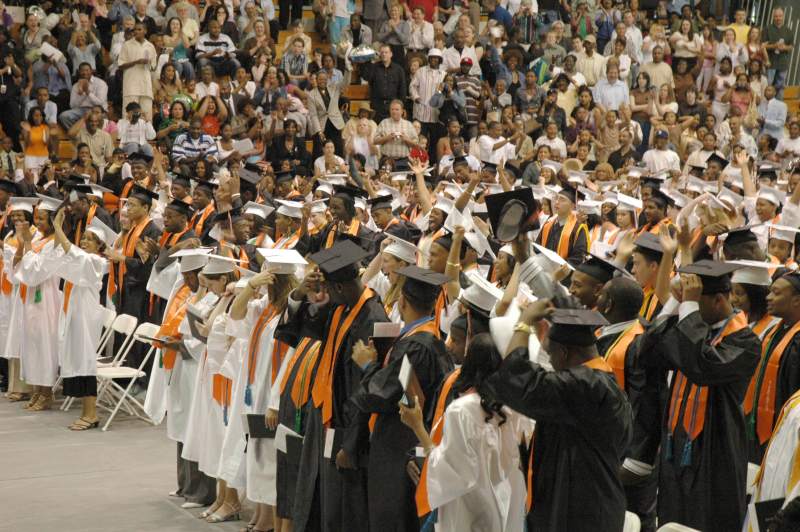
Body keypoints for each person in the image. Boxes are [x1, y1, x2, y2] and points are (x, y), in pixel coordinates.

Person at [483, 299, 632, 530]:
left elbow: (518, 378)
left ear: (563, 352)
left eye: (550, 354)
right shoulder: (601, 381)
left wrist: (524, 322)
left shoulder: (588, 386)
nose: (549, 361)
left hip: (582, 515)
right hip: (584, 505)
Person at [640, 260, 760, 531]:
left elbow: (702, 367)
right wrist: (674, 303)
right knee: (672, 519)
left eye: (694, 302)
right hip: (675, 445)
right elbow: (646, 352)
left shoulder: (745, 342)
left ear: (719, 300)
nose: (688, 308)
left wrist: (689, 309)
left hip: (715, 450)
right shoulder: (690, 325)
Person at [283, 240, 389, 532]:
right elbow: (296, 333)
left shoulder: (373, 319)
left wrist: (351, 444)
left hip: (345, 425)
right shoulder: (341, 307)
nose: (325, 293)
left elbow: (367, 389)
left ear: (340, 287)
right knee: (319, 494)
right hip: (323, 416)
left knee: (344, 506)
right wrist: (302, 292)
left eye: (328, 288)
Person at [350, 265, 451, 530]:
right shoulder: (433, 339)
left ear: (402, 300)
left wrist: (367, 365)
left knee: (391, 517)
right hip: (411, 441)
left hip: (396, 445)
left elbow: (378, 395)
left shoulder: (415, 345)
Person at [401, 332, 530, 531]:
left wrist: (417, 426)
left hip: (469, 514)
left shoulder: (462, 411)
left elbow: (451, 473)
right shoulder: (517, 409)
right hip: (507, 510)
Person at [12, 196, 63, 412]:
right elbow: (19, 268)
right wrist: (24, 247)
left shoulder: (55, 243)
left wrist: (25, 244)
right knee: (31, 343)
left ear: (52, 220)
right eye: (37, 218)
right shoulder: (38, 239)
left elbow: (36, 272)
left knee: (44, 344)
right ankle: (36, 389)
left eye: (42, 219)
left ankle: (46, 392)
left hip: (46, 296)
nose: (38, 223)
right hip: (31, 296)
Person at [744, 272, 800, 463]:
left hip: (787, 435)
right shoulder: (772, 332)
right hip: (758, 429)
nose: (768, 297)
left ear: (796, 300)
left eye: (776, 293)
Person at [763, 7, 793, 98]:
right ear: (773, 17)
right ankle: (767, 105)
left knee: (780, 86)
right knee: (768, 85)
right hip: (770, 63)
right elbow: (762, 46)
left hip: (783, 63)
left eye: (780, 16)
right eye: (776, 16)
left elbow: (791, 46)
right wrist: (774, 46)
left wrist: (784, 47)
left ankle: (779, 105)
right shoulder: (767, 29)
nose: (778, 18)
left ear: (783, 16)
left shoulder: (788, 30)